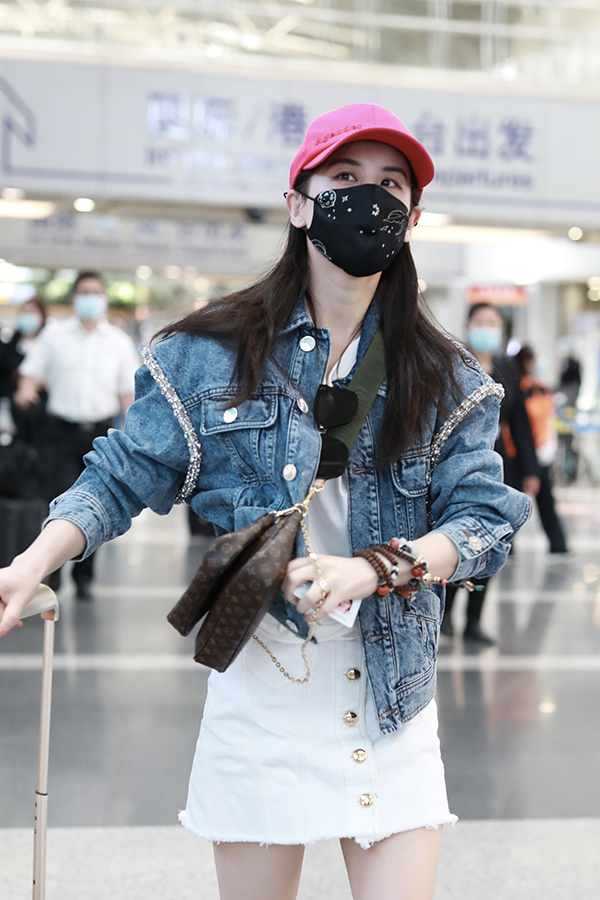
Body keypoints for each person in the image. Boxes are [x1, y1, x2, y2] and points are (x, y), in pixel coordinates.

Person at [0, 104, 530, 900]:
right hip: (261, 683)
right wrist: (31, 562)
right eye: (344, 177)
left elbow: (484, 521)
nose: (370, 197)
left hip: (390, 692)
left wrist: (374, 568)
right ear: (299, 204)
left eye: (391, 184)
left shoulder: (449, 377)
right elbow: (120, 474)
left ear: (414, 219)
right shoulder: (210, 352)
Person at [13, 271, 139, 600]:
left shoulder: (118, 342)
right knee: (57, 498)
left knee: (97, 500)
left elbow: (128, 394)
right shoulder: (54, 337)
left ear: (104, 298)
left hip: (99, 433)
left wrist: (135, 434)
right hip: (58, 432)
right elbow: (30, 373)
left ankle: (84, 576)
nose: (89, 298)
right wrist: (26, 390)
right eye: (84, 292)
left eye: (95, 292)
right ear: (74, 298)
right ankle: (50, 573)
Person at [441, 303, 539, 646]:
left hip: (497, 467)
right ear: (469, 325)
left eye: (493, 323)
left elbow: (521, 423)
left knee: (491, 541)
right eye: (481, 321)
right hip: (456, 465)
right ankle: (445, 614)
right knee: (456, 537)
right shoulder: (451, 362)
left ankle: (474, 619)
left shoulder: (506, 369)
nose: (487, 328)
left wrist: (531, 470)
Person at [515, 345, 568, 553]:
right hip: (519, 454)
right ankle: (505, 546)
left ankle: (558, 543)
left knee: (546, 500)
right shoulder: (518, 390)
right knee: (513, 501)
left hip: (541, 452)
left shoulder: (541, 389)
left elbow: (548, 421)